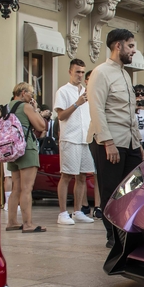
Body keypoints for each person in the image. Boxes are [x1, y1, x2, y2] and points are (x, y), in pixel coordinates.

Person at [87, 28, 144, 248]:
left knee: (133, 189)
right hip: (109, 142)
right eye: (130, 45)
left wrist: (137, 142)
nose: (134, 50)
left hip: (129, 142)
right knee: (111, 190)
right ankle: (113, 237)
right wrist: (107, 142)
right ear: (117, 46)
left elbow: (129, 113)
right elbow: (97, 108)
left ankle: (129, 232)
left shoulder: (125, 74)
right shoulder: (101, 72)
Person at [53, 59, 95, 225]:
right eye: (77, 71)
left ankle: (78, 211)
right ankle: (63, 213)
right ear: (70, 71)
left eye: (82, 72)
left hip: (85, 138)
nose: (80, 75)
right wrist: (77, 103)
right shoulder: (63, 91)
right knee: (67, 175)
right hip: (70, 138)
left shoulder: (87, 91)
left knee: (83, 176)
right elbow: (61, 116)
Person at [5, 82, 47, 233]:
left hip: (12, 150)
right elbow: (41, 126)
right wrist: (36, 110)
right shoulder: (26, 107)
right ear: (23, 93)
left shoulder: (7, 107)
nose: (32, 97)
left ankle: (11, 222)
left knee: (16, 188)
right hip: (26, 148)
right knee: (27, 188)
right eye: (31, 93)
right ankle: (28, 224)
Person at [84, 70, 102, 218]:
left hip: (95, 137)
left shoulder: (98, 95)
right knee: (82, 176)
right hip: (82, 139)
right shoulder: (81, 96)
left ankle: (98, 206)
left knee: (97, 175)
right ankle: (83, 206)